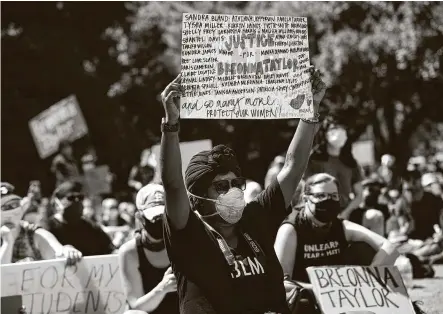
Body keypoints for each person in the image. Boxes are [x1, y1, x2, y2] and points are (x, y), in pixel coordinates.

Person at [160, 66, 326, 314]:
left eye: (237, 183)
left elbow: (292, 169)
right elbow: (173, 184)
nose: (234, 191)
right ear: (198, 198)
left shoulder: (255, 219)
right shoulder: (187, 234)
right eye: (221, 186)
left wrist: (309, 111)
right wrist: (171, 125)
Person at [274, 173, 399, 293]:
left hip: (339, 295)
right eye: (321, 195)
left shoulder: (341, 226)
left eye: (333, 196)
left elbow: (389, 248)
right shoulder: (291, 229)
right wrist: (321, 290)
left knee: (365, 248)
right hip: (304, 296)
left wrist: (368, 278)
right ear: (306, 199)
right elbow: (279, 282)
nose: (328, 201)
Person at [118, 184, 179, 314]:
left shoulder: (181, 244)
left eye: (163, 215)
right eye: (154, 217)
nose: (159, 221)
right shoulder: (130, 252)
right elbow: (136, 306)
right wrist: (163, 288)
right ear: (140, 217)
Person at [304, 114, 363, 219]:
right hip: (319, 211)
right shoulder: (314, 159)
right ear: (325, 134)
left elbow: (359, 195)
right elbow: (305, 189)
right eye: (334, 128)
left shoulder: (351, 163)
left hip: (345, 212)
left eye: (342, 129)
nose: (339, 132)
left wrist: (346, 213)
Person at [1, 194, 82, 264]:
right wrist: (7, 243)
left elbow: (59, 254)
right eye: (5, 207)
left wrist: (67, 251)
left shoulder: (35, 234)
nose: (13, 211)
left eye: (15, 205)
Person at [47, 181, 116, 256]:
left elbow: (110, 250)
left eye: (80, 197)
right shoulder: (49, 227)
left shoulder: (91, 227)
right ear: (58, 201)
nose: (77, 201)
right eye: (71, 198)